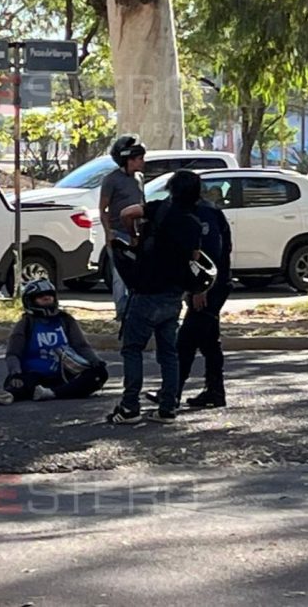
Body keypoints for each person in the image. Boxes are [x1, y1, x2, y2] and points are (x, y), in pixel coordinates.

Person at [107, 170, 204, 425]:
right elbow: (194, 258)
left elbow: (127, 213)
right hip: (173, 294)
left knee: (132, 349)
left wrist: (135, 236)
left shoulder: (160, 208)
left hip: (146, 290)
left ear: (172, 189)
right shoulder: (194, 223)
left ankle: (130, 407)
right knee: (168, 353)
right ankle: (168, 408)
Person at [150, 181, 233, 409]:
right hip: (207, 286)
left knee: (186, 341)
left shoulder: (205, 215)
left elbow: (210, 257)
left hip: (209, 287)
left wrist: (200, 289)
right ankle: (215, 391)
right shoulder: (198, 212)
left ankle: (171, 393)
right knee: (208, 341)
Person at [0, 279, 108, 405]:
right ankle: (8, 396)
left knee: (98, 375)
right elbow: (13, 354)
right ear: (30, 301)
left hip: (64, 374)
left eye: (49, 296)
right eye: (41, 297)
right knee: (19, 382)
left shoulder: (66, 320)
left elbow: (81, 346)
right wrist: (15, 372)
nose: (46, 299)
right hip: (34, 376)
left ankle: (51, 393)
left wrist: (95, 361)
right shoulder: (26, 323)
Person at [99, 135, 146, 322]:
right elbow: (103, 208)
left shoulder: (139, 178)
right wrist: (108, 232)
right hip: (118, 233)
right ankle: (121, 312)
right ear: (129, 159)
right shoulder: (111, 180)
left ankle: (135, 309)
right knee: (119, 275)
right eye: (139, 158)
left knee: (138, 273)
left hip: (137, 234)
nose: (143, 162)